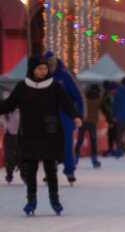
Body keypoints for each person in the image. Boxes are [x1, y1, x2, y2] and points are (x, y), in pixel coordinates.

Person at [0, 54, 82, 215]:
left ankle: (54, 199)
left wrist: (76, 116)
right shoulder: (23, 87)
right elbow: (8, 105)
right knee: (30, 168)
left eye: (45, 68)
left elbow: (66, 103)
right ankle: (31, 199)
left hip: (50, 132)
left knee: (50, 168)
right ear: (32, 69)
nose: (44, 71)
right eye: (40, 69)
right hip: (30, 133)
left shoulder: (55, 87)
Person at [43, 52, 85, 183]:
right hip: (49, 117)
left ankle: (69, 170)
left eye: (52, 65)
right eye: (48, 66)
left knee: (67, 145)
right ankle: (50, 170)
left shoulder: (66, 75)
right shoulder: (42, 76)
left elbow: (78, 96)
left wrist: (79, 115)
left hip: (66, 117)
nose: (50, 68)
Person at [74, 84, 102, 169]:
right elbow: (105, 109)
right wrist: (110, 119)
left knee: (80, 140)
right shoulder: (99, 99)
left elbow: (78, 107)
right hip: (92, 122)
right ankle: (94, 160)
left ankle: (75, 159)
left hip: (83, 121)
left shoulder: (84, 98)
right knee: (93, 142)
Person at [1, 90, 20, 183]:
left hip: (20, 136)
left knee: (22, 156)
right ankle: (9, 172)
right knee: (9, 156)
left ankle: (24, 172)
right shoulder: (3, 114)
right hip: (8, 136)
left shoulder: (19, 110)